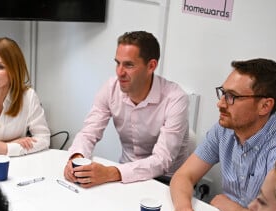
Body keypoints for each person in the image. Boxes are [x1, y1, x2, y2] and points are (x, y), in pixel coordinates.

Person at [170, 58, 276, 211]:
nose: (221, 103)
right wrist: (183, 207)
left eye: (233, 97)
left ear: (265, 106)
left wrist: (226, 204)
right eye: (223, 93)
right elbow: (184, 175)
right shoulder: (225, 128)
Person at [63, 30, 190, 187]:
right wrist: (76, 157)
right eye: (117, 63)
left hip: (166, 182)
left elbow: (162, 160)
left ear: (151, 66)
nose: (119, 72)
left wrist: (111, 173)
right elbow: (88, 133)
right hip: (124, 175)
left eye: (129, 65)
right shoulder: (110, 88)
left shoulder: (176, 98)